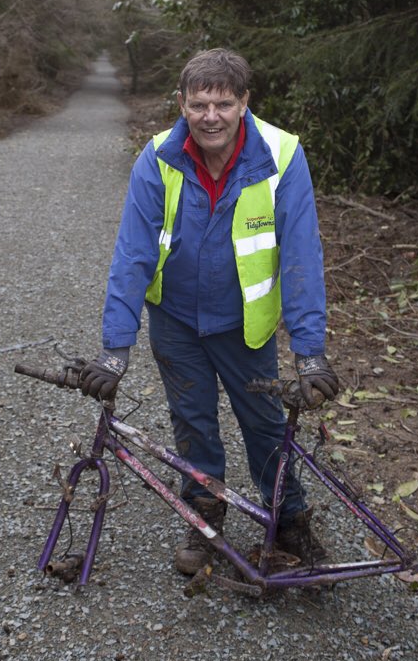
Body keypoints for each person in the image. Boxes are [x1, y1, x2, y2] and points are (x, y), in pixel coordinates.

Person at [80, 48, 338, 574]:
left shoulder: (282, 155)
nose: (210, 117)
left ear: (244, 101)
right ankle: (203, 518)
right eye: (199, 105)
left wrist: (310, 353)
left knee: (265, 427)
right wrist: (114, 350)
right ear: (182, 103)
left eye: (223, 104)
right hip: (175, 322)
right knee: (193, 424)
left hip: (245, 327)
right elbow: (132, 255)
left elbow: (301, 256)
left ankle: (290, 520)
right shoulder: (159, 157)